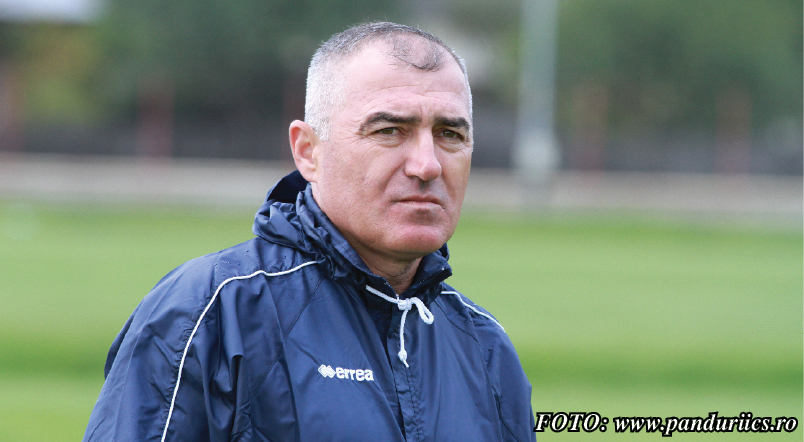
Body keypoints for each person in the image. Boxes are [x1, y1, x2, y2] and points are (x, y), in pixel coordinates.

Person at [83, 22, 536, 442]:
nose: (427, 165)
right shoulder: (211, 313)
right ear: (308, 151)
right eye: (389, 130)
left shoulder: (485, 347)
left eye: (449, 134)